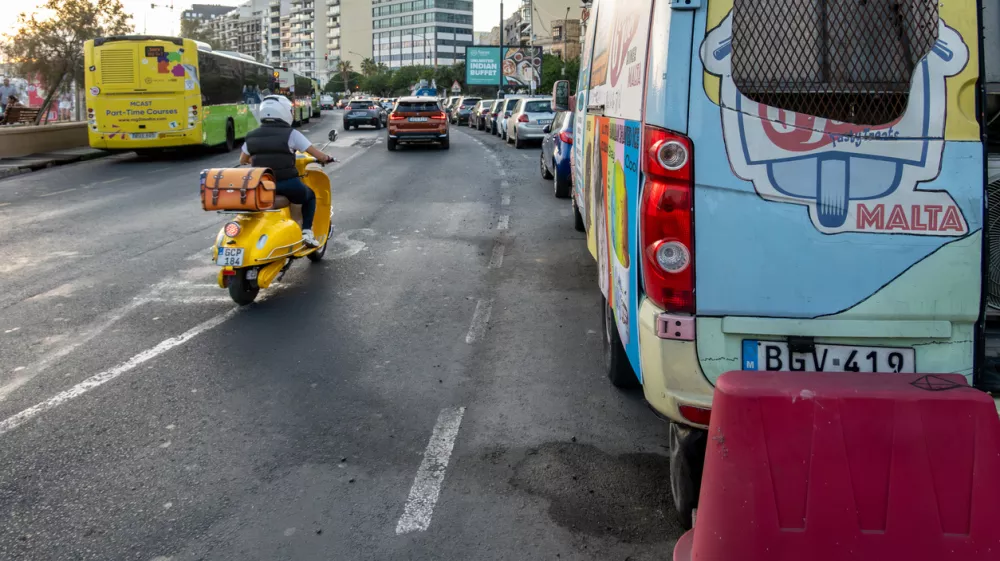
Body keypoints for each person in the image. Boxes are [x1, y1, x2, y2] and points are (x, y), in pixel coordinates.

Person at [239, 95, 333, 247]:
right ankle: (306, 232)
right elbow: (317, 154)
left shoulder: (251, 136)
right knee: (309, 196)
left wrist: (257, 161)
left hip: (261, 185)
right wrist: (327, 158)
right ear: (285, 112)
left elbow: (242, 160)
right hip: (287, 184)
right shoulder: (291, 134)